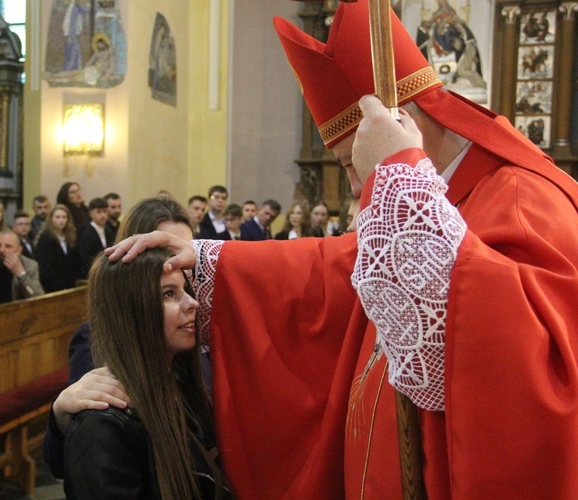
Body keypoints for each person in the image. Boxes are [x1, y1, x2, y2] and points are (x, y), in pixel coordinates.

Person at [103, 0, 578, 497]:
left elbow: (525, 365)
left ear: (406, 120)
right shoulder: (433, 200)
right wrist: (208, 261)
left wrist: (396, 172)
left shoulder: (522, 199)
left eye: (354, 161)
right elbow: (335, 267)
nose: (354, 186)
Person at [43, 196, 200, 479]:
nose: (180, 263)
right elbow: (81, 448)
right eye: (164, 249)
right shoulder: (97, 337)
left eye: (188, 251)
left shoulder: (194, 320)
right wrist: (61, 417)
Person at [63, 248, 231, 499]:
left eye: (185, 290)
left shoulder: (179, 385)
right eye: (168, 294)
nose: (193, 303)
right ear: (131, 310)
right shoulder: (103, 423)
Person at [34, 204, 81, 292]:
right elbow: (45, 268)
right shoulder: (46, 238)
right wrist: (60, 285)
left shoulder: (68, 237)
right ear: (51, 219)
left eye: (64, 217)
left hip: (68, 284)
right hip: (52, 287)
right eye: (58, 217)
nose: (61, 221)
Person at [77, 197, 116, 279]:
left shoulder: (109, 232)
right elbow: (86, 260)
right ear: (91, 213)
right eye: (98, 212)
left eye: (104, 211)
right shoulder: (86, 233)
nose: (102, 215)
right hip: (92, 275)